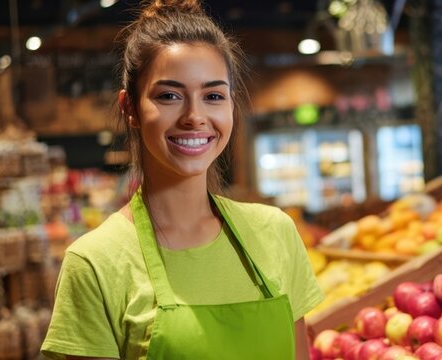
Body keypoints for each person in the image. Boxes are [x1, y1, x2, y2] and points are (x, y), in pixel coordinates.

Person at [40, 1, 324, 358]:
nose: (195, 116)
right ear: (130, 108)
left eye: (213, 96)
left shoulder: (276, 233)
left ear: (231, 106)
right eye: (170, 96)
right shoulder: (96, 263)